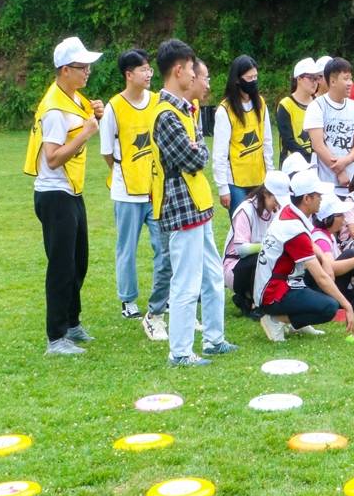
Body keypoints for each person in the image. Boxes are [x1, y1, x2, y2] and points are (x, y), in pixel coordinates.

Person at [149, 39, 237, 367]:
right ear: (178, 71)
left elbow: (198, 150)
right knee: (186, 282)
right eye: (190, 68)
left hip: (198, 205)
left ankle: (214, 339)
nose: (193, 74)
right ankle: (181, 352)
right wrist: (197, 148)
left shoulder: (185, 110)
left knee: (212, 276)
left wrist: (197, 146)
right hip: (182, 207)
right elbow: (194, 158)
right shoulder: (165, 115)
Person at [25, 36, 105, 355]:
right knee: (61, 266)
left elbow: (86, 115)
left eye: (88, 66)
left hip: (71, 192)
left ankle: (72, 324)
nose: (87, 71)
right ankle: (56, 338)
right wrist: (86, 133)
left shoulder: (72, 98)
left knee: (78, 262)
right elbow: (53, 157)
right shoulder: (54, 109)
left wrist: (95, 113)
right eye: (81, 67)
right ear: (64, 70)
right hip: (55, 195)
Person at [99, 48, 169, 322]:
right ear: (129, 75)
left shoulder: (157, 101)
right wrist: (125, 172)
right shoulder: (113, 108)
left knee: (163, 247)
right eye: (143, 70)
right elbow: (107, 152)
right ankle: (128, 300)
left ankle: (162, 298)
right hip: (126, 192)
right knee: (126, 249)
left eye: (150, 69)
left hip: (155, 190)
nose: (149, 74)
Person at [254, 170, 354, 340]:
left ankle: (296, 321)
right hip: (273, 293)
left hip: (278, 282)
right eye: (318, 195)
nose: (321, 199)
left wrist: (324, 259)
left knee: (321, 284)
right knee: (329, 307)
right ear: (307, 198)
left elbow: (309, 243)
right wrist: (347, 306)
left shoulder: (289, 210)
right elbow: (321, 278)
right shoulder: (294, 229)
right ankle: (276, 319)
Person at [223, 170, 287, 316]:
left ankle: (257, 299)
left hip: (253, 264)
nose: (278, 205)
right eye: (276, 200)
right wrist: (268, 245)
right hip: (235, 268)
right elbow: (241, 249)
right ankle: (253, 302)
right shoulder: (245, 210)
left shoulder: (273, 211)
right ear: (265, 194)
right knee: (263, 257)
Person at [213, 55, 273, 213]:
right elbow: (220, 153)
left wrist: (270, 173)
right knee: (241, 224)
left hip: (260, 178)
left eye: (255, 77)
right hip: (236, 182)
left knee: (262, 223)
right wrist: (223, 188)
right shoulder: (225, 110)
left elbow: (267, 142)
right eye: (249, 78)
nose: (253, 81)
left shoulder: (260, 104)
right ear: (238, 80)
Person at [305, 57, 354, 196]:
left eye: (351, 79)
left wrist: (345, 162)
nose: (350, 83)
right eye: (346, 79)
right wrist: (340, 171)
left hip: (351, 183)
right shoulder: (317, 106)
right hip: (324, 184)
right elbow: (318, 145)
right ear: (332, 81)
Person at [276, 58, 319, 161]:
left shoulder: (318, 103)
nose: (314, 82)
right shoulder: (285, 105)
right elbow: (288, 141)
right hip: (293, 163)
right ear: (299, 79)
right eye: (310, 78)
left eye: (316, 78)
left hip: (317, 162)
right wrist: (309, 158)